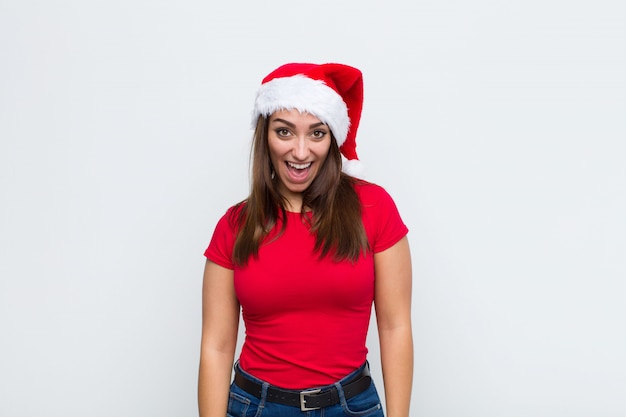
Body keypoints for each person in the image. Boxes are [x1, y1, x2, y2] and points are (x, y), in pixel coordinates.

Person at [198, 63, 413, 417]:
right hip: (256, 407)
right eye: (285, 132)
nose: (300, 152)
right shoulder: (234, 225)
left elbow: (394, 326)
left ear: (332, 139)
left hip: (351, 406)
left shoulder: (374, 208)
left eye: (316, 134)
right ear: (265, 135)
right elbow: (217, 347)